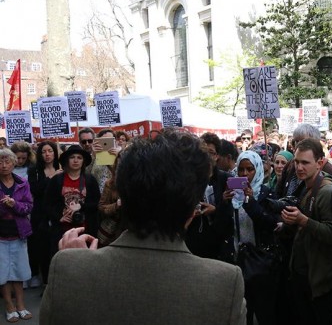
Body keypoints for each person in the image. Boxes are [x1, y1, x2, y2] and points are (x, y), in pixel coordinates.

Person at [40, 131, 246, 325]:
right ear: (192, 213)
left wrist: (76, 267)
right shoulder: (225, 284)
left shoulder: (67, 267)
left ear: (124, 197)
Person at [281, 138, 332, 325]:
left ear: (320, 163)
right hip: (306, 274)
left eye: (305, 163)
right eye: (297, 162)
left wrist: (303, 220)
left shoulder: (326, 191)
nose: (299, 167)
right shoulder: (305, 184)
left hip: (320, 280)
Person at [223, 150, 281, 324]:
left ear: (258, 170)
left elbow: (270, 223)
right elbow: (224, 227)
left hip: (261, 261)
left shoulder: (265, 193)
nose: (245, 174)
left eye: (250, 169)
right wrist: (224, 204)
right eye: (241, 170)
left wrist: (249, 201)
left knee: (264, 311)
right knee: (242, 311)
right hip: (237, 259)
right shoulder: (232, 195)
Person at [185, 133, 235, 263]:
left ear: (217, 156)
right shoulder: (189, 178)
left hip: (218, 244)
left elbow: (232, 213)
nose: (207, 157)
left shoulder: (226, 179)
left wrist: (217, 208)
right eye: (203, 152)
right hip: (194, 242)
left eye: (211, 152)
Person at [44, 145, 101, 256]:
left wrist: (81, 206)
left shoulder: (90, 180)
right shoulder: (57, 180)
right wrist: (59, 217)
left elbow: (96, 203)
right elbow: (48, 203)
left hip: (85, 230)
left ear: (83, 161)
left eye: (79, 158)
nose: (76, 160)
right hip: (62, 232)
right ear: (67, 160)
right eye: (72, 157)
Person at [0, 148, 34, 322]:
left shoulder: (22, 182)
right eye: (0, 162)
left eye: (7, 161)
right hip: (1, 237)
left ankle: (21, 305)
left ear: (14, 163)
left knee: (19, 272)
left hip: (18, 233)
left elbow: (29, 207)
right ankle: (9, 306)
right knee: (2, 273)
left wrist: (15, 204)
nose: (3, 165)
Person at [26, 141, 61, 288]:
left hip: (58, 213)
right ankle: (45, 281)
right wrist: (53, 178)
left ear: (55, 153)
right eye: (44, 151)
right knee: (42, 248)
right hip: (40, 214)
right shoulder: (34, 171)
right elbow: (35, 189)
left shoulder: (62, 168)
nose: (47, 154)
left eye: (50, 151)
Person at [96, 152, 124, 246]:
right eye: (119, 164)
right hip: (113, 232)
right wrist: (116, 205)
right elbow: (101, 207)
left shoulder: (141, 182)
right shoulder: (110, 184)